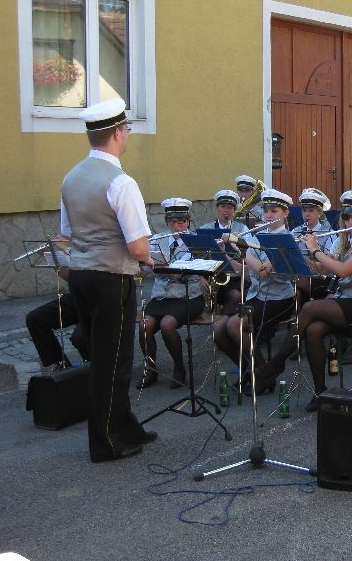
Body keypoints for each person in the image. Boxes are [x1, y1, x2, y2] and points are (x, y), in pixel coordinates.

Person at [60, 98, 156, 463]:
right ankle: (106, 442)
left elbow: (66, 233)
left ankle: (126, 426)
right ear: (117, 133)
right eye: (126, 129)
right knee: (113, 362)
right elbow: (138, 246)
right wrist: (148, 259)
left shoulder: (71, 177)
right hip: (110, 278)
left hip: (81, 275)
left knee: (105, 356)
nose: (127, 134)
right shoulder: (121, 182)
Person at [279, 190, 352, 411]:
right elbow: (323, 269)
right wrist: (298, 255)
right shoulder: (343, 241)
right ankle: (320, 391)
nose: (350, 222)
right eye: (346, 217)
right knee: (313, 330)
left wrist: (315, 249)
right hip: (345, 299)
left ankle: (276, 364)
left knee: (309, 308)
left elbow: (343, 271)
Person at [213, 189, 296, 395]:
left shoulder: (287, 239)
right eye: (266, 211)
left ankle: (262, 375)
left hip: (279, 299)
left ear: (285, 213)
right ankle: (251, 371)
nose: (268, 215)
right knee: (218, 330)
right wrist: (225, 252)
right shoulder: (258, 237)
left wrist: (239, 245)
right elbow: (246, 273)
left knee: (234, 325)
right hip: (256, 296)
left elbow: (263, 271)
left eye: (274, 211)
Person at [138, 198, 206, 389]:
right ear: (167, 222)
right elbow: (146, 270)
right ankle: (151, 369)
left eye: (182, 221)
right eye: (173, 221)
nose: (177, 226)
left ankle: (179, 368)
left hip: (189, 296)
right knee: (144, 326)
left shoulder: (196, 242)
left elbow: (181, 272)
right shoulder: (155, 240)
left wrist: (159, 267)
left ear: (188, 221)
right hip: (161, 297)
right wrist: (141, 266)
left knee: (167, 324)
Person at [200, 190, 248, 315]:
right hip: (212, 276)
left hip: (235, 277)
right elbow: (199, 255)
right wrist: (201, 277)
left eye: (230, 207)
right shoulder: (205, 229)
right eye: (223, 206)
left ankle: (222, 321)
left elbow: (248, 256)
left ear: (234, 210)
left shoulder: (243, 229)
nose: (226, 210)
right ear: (217, 208)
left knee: (236, 295)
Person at [26, 286, 89, 369]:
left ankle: (95, 369)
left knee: (80, 337)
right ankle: (62, 367)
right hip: (81, 294)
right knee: (35, 319)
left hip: (102, 297)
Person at [292, 188, 335, 302]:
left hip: (321, 279)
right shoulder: (295, 231)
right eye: (304, 210)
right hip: (301, 275)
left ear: (320, 212)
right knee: (295, 290)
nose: (307, 214)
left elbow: (328, 266)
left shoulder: (329, 233)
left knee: (293, 280)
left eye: (311, 210)